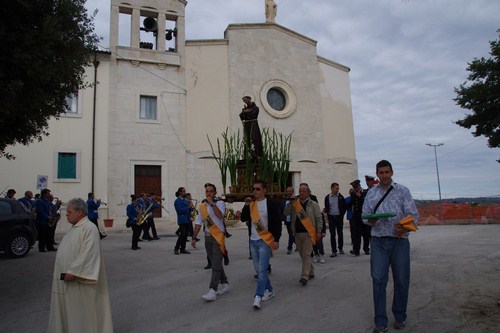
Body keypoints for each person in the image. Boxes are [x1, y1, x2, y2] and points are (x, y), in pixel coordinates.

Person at [362, 160, 419, 333]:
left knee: (402, 279)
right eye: (381, 173)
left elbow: (413, 216)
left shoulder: (403, 191)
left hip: (399, 241)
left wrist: (403, 225)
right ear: (377, 174)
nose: (384, 175)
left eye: (387, 172)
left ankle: (400, 316)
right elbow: (365, 217)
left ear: (392, 173)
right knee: (378, 280)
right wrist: (371, 220)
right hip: (378, 241)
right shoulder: (371, 193)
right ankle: (380, 321)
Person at [48, 198, 113, 333]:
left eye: (69, 212)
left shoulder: (89, 228)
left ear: (80, 212)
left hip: (78, 279)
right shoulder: (75, 227)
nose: (67, 215)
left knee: (81, 314)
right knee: (70, 313)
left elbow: (89, 253)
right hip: (67, 280)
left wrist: (74, 271)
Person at [241, 181, 281, 310]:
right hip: (252, 241)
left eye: (258, 189)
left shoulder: (270, 204)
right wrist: (246, 205)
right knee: (258, 270)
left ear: (264, 190)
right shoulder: (251, 204)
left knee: (262, 271)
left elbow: (277, 222)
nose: (255, 191)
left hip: (265, 241)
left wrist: (276, 239)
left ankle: (258, 296)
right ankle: (270, 290)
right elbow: (243, 218)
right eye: (253, 189)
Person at [191, 183, 230, 302]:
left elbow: (220, 216)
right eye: (207, 191)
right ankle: (225, 283)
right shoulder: (202, 206)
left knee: (216, 262)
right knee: (214, 261)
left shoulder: (220, 204)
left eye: (211, 191)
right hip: (208, 237)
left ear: (215, 192)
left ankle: (212, 290)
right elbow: (198, 223)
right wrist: (194, 237)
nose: (209, 193)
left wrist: (212, 204)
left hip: (218, 236)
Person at [283, 183, 322, 286]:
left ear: (308, 193)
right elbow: (285, 213)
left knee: (306, 254)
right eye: (300, 191)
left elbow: (319, 219)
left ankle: (304, 276)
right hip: (297, 233)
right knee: (302, 254)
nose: (301, 193)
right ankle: (311, 271)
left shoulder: (313, 204)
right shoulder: (295, 203)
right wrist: (289, 203)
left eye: (304, 191)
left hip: (309, 233)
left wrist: (319, 232)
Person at [324, 182, 346, 257]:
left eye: (338, 188)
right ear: (332, 188)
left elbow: (344, 207)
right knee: (332, 234)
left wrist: (341, 215)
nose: (337, 190)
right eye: (336, 188)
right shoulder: (327, 197)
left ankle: (340, 248)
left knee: (340, 233)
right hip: (331, 218)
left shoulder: (340, 197)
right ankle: (334, 250)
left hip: (339, 218)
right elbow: (326, 207)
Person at [347, 179, 366, 256]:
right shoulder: (353, 194)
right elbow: (351, 203)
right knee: (356, 234)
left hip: (363, 216)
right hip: (356, 216)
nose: (355, 189)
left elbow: (366, 203)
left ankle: (366, 249)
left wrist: (360, 196)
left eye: (356, 187)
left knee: (365, 233)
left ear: (359, 186)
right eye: (354, 188)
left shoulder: (364, 192)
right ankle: (356, 250)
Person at [174, 187, 192, 255]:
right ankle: (176, 248)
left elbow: (189, 208)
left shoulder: (186, 200)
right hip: (182, 219)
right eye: (183, 191)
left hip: (187, 219)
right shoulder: (177, 201)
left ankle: (183, 249)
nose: (185, 192)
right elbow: (179, 211)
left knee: (185, 235)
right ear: (180, 192)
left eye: (185, 191)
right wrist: (188, 207)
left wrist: (191, 210)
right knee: (182, 234)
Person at [280, 185, 295, 254]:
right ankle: (298, 244)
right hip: (287, 220)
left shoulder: (296, 200)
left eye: (290, 191)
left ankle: (289, 248)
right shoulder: (284, 200)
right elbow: (281, 209)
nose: (289, 192)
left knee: (291, 234)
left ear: (293, 192)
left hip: (294, 220)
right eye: (288, 191)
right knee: (291, 233)